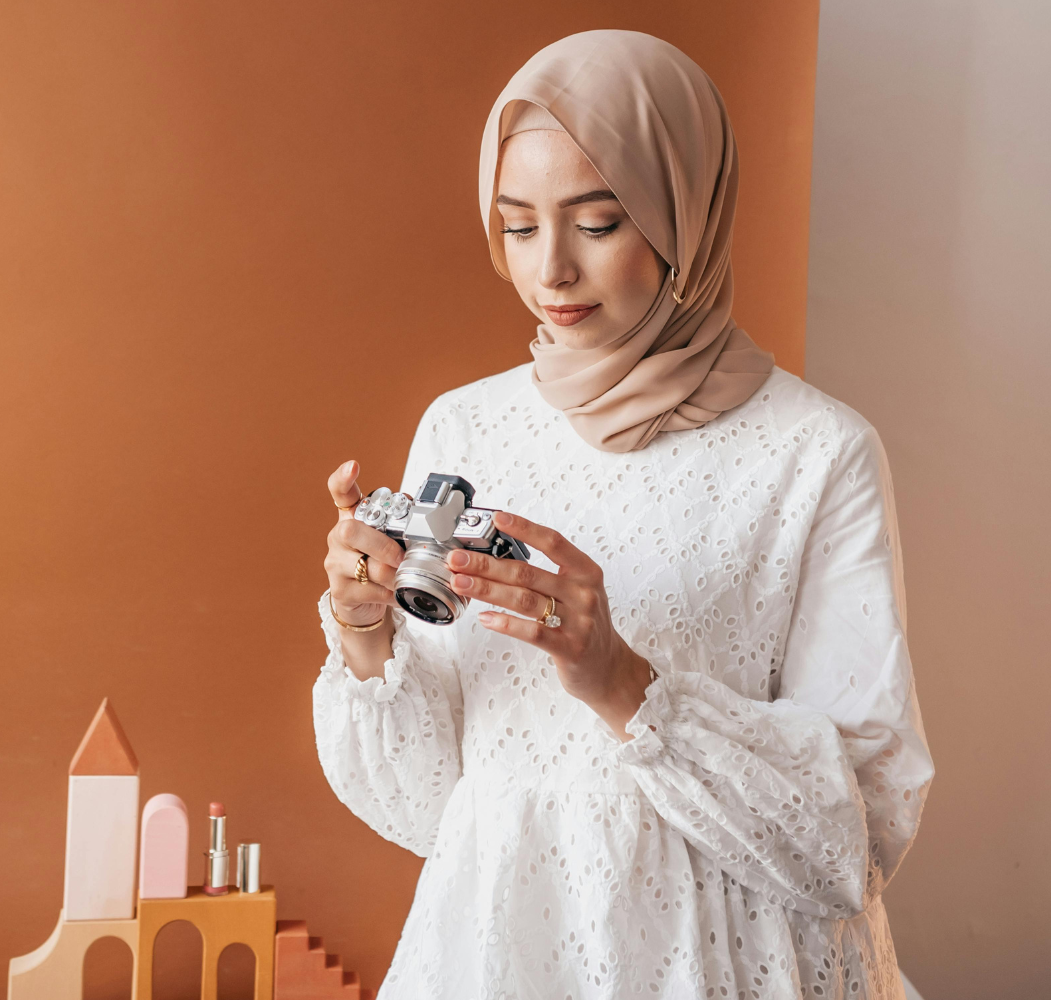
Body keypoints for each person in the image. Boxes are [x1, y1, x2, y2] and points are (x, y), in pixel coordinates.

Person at [312, 30, 933, 1000]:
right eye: (518, 226)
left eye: (597, 223)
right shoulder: (464, 427)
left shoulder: (815, 453)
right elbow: (432, 800)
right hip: (502, 951)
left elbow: (850, 837)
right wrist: (365, 635)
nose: (550, 269)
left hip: (727, 961)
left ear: (686, 213)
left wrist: (625, 681)